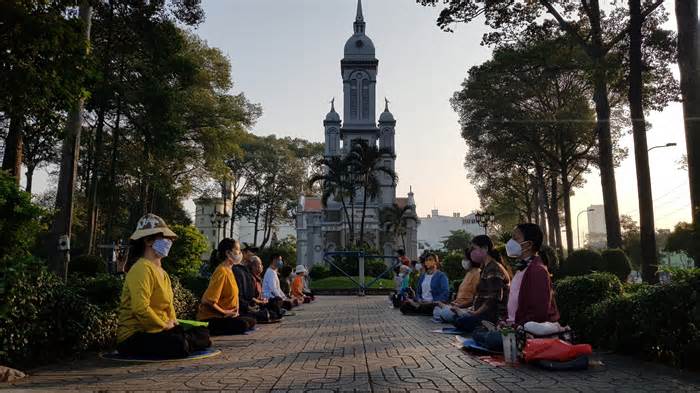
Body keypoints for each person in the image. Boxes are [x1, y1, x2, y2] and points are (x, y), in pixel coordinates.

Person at [116, 214, 211, 357]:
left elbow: (169, 307)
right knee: (178, 343)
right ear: (148, 240)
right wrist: (164, 325)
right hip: (135, 335)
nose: (169, 242)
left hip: (160, 330)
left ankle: (186, 341)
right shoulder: (141, 269)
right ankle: (185, 342)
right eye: (165, 238)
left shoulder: (162, 272)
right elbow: (140, 309)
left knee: (202, 333)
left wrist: (173, 324)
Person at [197, 238, 257, 335]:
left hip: (228, 316)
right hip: (213, 318)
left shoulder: (230, 270)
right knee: (243, 324)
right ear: (228, 253)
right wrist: (225, 312)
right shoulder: (221, 271)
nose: (240, 253)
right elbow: (208, 301)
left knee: (252, 320)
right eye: (238, 250)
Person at [452, 235, 511, 333]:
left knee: (461, 322)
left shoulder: (493, 268)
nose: (471, 252)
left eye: (474, 249)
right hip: (481, 314)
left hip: (492, 316)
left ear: (485, 248)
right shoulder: (485, 268)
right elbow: (478, 297)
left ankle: (487, 328)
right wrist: (460, 307)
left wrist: (475, 313)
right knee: (457, 319)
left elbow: (494, 298)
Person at [505, 223, 559, 326]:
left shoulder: (538, 271)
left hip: (526, 332)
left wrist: (516, 326)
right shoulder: (521, 269)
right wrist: (504, 321)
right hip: (513, 327)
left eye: (515, 239)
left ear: (529, 244)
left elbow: (539, 313)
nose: (510, 242)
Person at [433, 248, 481, 322]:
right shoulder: (469, 273)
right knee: (436, 310)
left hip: (465, 308)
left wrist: (458, 306)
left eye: (466, 258)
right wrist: (454, 303)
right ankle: (448, 310)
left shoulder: (477, 274)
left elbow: (474, 299)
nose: (464, 261)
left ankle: (456, 313)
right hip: (457, 306)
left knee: (444, 313)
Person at [248, 256, 283, 320]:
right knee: (273, 311)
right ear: (253, 267)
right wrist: (260, 302)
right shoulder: (251, 279)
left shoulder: (259, 279)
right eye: (260, 264)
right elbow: (250, 298)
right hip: (255, 306)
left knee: (276, 302)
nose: (262, 266)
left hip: (262, 302)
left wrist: (263, 300)